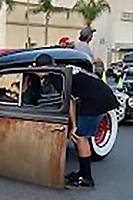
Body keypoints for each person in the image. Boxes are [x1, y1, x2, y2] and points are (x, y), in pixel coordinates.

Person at [34, 54, 119, 189]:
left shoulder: (56, 77)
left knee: (80, 137)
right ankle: (82, 173)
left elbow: (70, 101)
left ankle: (86, 178)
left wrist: (73, 126)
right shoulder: (63, 69)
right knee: (80, 137)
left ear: (42, 68)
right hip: (101, 94)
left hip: (96, 100)